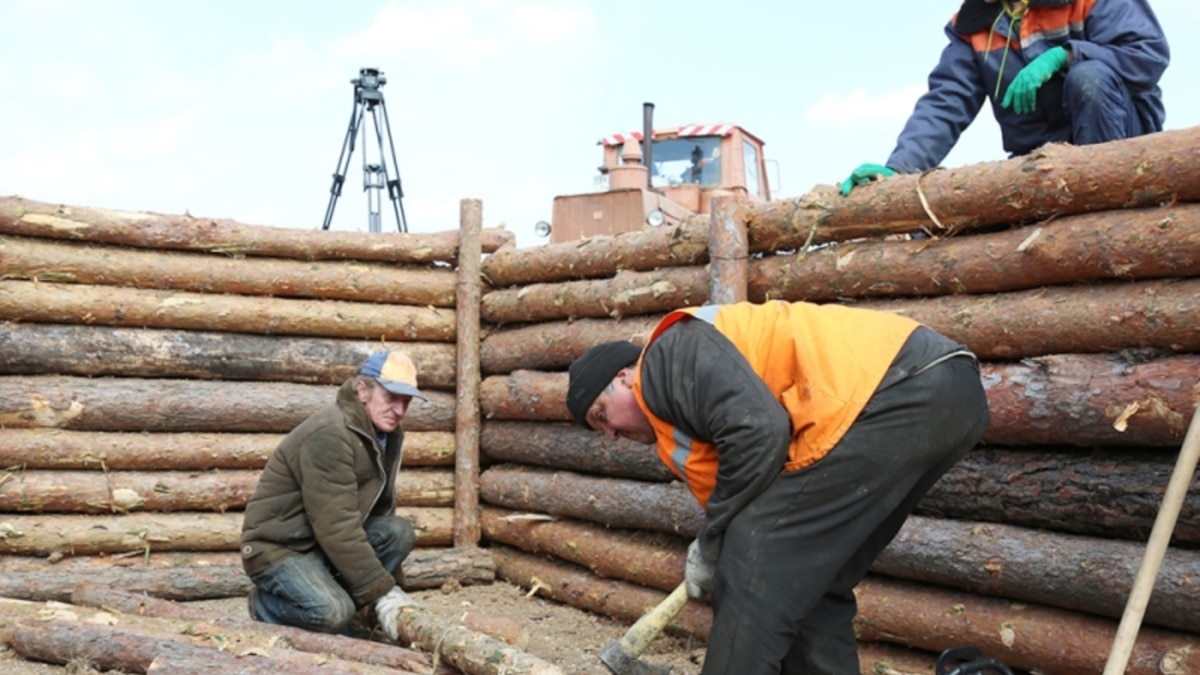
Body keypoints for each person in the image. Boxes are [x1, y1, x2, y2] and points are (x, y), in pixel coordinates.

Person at [566, 300, 990, 674]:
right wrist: (718, 541)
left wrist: (716, 543)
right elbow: (747, 487)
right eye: (598, 430)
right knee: (816, 588)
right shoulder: (679, 420)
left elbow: (759, 432)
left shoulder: (664, 359)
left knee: (752, 560)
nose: (611, 436)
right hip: (945, 393)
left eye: (602, 416)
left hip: (898, 387)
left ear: (624, 377)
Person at [840, 0, 1169, 196]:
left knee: (1089, 78)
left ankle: (1106, 203)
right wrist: (899, 169)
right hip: (1040, 157)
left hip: (1121, 137)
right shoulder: (973, 24)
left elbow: (1148, 54)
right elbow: (946, 102)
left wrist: (1068, 56)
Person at [241, 349, 425, 640]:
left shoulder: (387, 433)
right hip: (281, 548)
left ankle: (351, 605)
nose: (400, 410)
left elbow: (379, 512)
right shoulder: (330, 433)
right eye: (391, 398)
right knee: (332, 613)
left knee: (397, 531)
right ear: (362, 390)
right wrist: (384, 592)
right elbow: (336, 525)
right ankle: (267, 605)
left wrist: (390, 587)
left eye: (407, 401)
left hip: (320, 542)